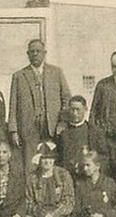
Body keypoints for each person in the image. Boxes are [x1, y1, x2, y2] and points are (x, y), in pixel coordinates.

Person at [8, 39, 71, 171]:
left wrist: (62, 122)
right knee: (31, 164)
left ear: (44, 53)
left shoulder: (56, 72)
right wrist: (13, 130)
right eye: (32, 52)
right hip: (28, 128)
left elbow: (66, 99)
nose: (35, 54)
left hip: (52, 128)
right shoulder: (19, 76)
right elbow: (13, 105)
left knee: (52, 162)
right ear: (27, 54)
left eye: (38, 51)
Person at [55, 95, 91, 177]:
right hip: (66, 175)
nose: (75, 113)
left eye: (78, 110)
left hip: (85, 176)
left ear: (85, 109)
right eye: (72, 110)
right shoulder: (62, 132)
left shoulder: (92, 131)